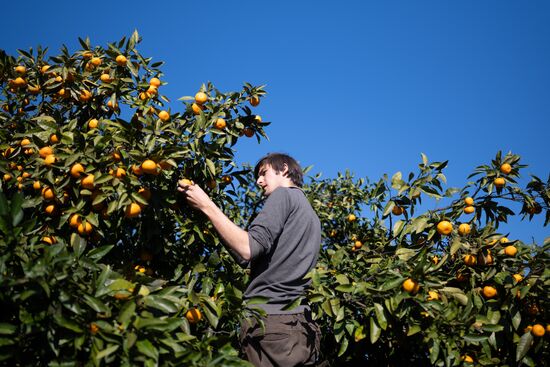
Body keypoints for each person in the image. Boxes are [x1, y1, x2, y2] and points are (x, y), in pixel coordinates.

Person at [177, 153, 323, 366]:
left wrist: (206, 205)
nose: (258, 181)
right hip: (302, 328)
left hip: (272, 326)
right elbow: (247, 258)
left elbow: (247, 248)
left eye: (263, 173)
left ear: (283, 169)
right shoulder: (310, 214)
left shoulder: (283, 195)